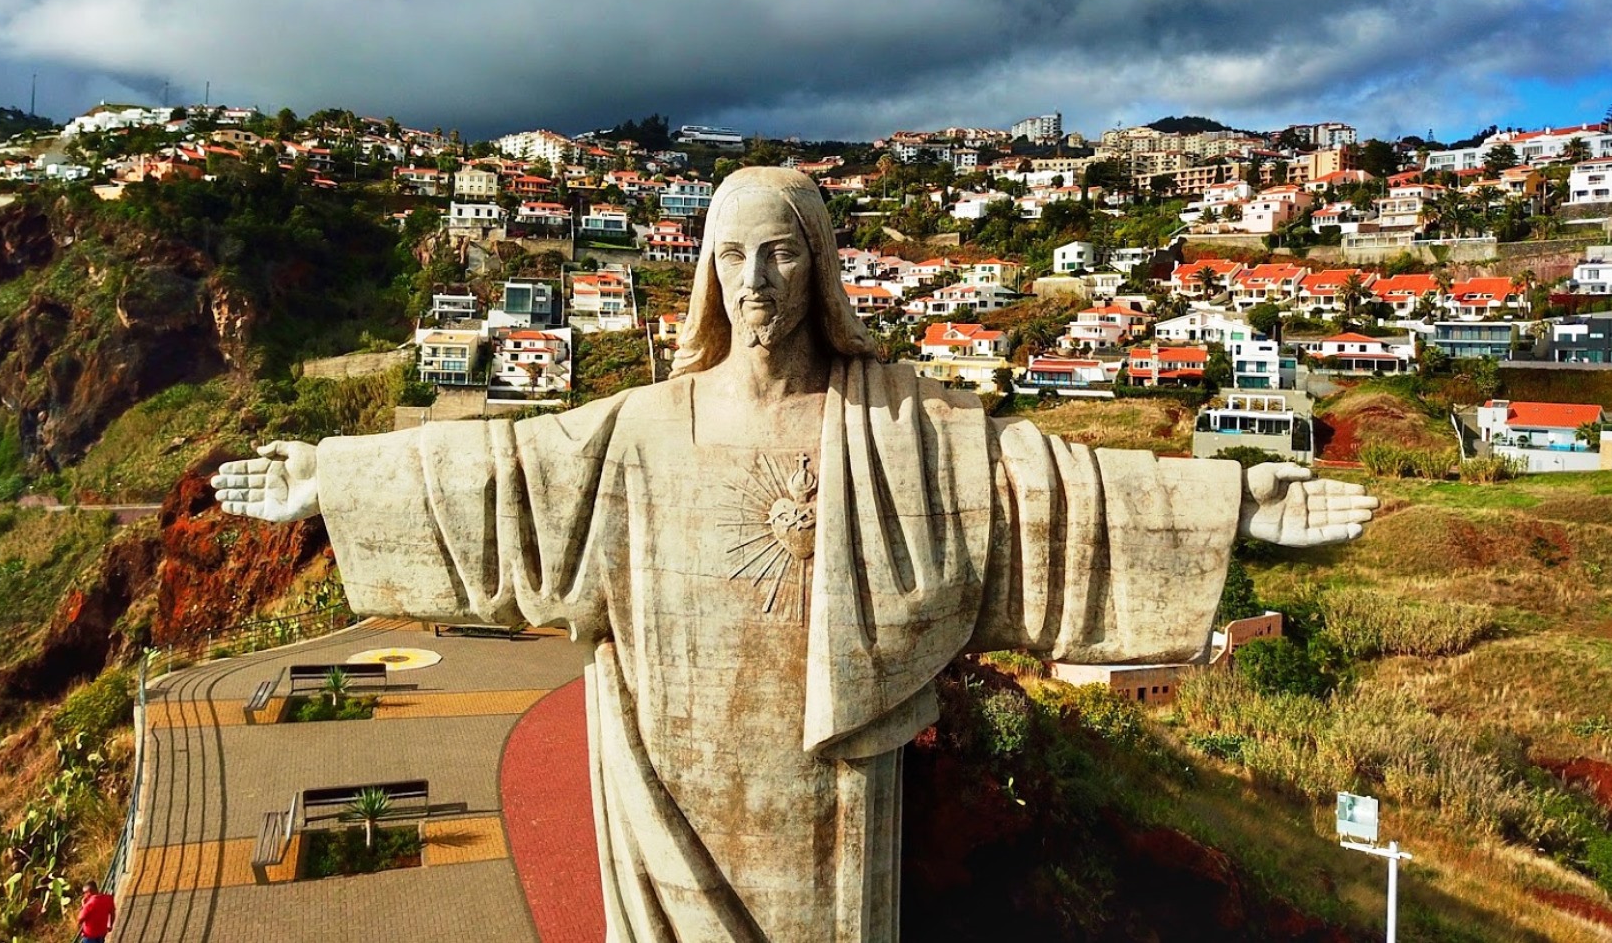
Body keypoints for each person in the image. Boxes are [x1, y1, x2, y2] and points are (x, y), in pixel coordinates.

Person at [213, 166, 1376, 942]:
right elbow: (503, 477)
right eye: (731, 259)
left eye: (778, 256)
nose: (755, 283)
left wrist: (1228, 504)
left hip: (819, 795)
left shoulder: (892, 425)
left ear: (816, 266)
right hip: (662, 776)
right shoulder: (640, 429)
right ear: (705, 275)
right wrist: (333, 478)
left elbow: (1040, 488)